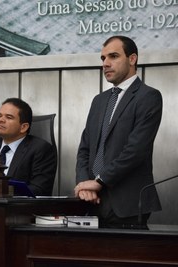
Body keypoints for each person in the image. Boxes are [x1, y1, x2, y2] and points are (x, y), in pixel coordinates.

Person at [74, 35, 163, 228]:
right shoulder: (99, 100)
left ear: (132, 59)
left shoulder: (148, 97)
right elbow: (85, 149)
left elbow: (135, 151)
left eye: (113, 56)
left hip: (127, 207)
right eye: (103, 58)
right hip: (92, 203)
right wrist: (84, 185)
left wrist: (99, 181)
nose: (105, 63)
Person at [0, 98, 57, 196]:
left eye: (9, 117)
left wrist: (1, 191)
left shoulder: (40, 149)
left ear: (23, 127)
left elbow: (38, 189)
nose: (1, 120)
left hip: (16, 208)